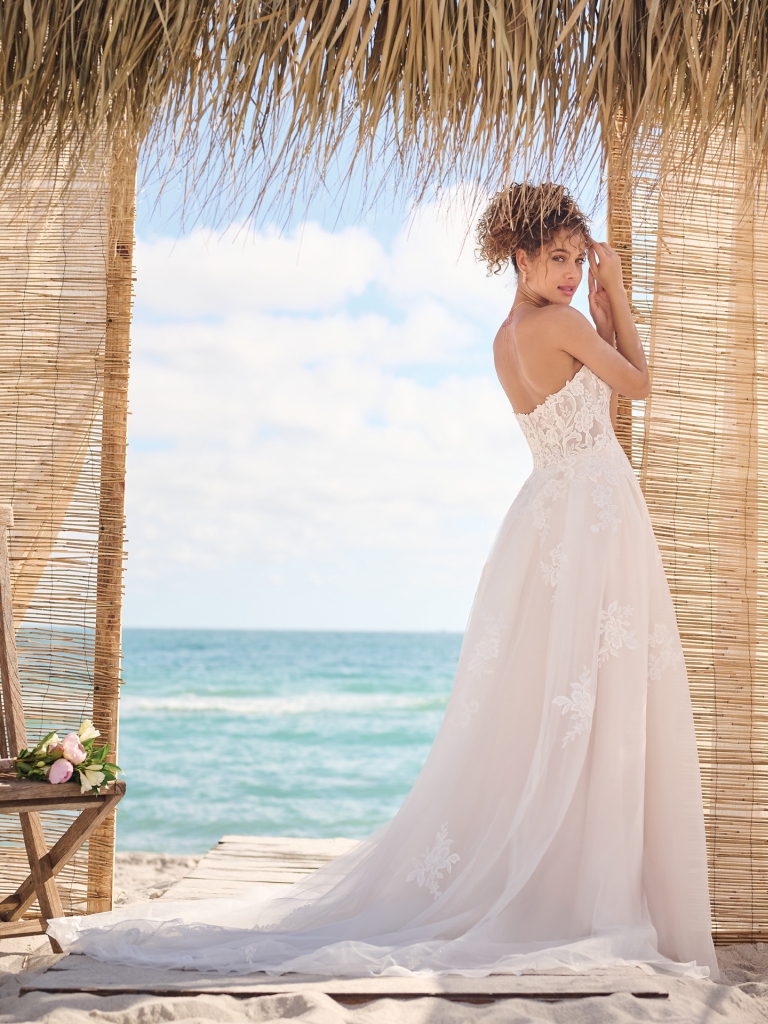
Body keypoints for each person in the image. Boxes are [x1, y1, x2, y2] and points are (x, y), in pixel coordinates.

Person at [49, 183, 718, 980]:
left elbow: (589, 387)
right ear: (520, 257)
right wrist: (619, 293)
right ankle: (588, 880)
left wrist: (599, 302)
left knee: (559, 699)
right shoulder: (568, 320)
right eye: (559, 258)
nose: (573, 271)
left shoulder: (507, 338)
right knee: (592, 696)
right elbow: (638, 385)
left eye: (581, 258)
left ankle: (571, 864)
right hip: (596, 515)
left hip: (548, 514)